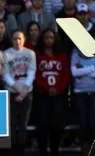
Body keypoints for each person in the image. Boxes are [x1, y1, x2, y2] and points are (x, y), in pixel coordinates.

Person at [35, 28, 70, 156]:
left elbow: (66, 75)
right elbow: (36, 75)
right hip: (43, 95)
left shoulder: (62, 55)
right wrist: (47, 88)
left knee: (56, 125)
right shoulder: (37, 54)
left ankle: (55, 151)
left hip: (58, 96)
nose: (49, 40)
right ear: (42, 39)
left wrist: (57, 89)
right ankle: (43, 152)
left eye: (51, 37)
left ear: (55, 39)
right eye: (46, 38)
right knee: (42, 125)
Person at [2, 30, 36, 156]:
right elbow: (5, 74)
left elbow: (32, 71)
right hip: (12, 92)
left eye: (20, 38)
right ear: (12, 40)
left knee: (23, 124)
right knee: (11, 123)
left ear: (24, 40)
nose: (17, 41)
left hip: (27, 93)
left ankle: (21, 151)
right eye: (15, 38)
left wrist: (24, 91)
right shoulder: (6, 54)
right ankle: (11, 151)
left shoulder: (30, 53)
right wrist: (17, 89)